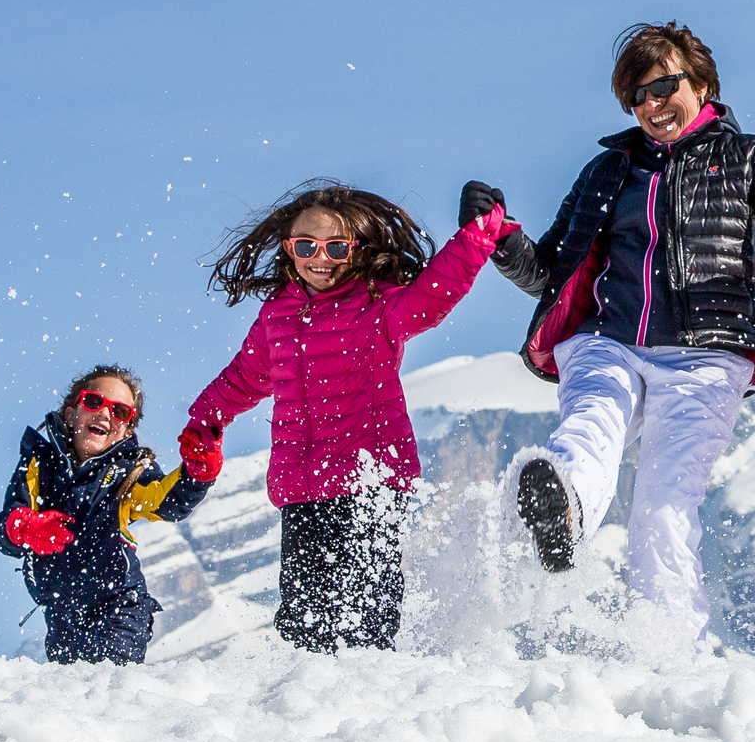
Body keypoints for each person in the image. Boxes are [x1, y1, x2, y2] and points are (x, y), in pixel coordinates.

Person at [488, 21, 755, 641]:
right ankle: (562, 509)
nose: (651, 106)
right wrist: (501, 239)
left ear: (701, 83)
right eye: (637, 97)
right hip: (607, 338)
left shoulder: (752, 157)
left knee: (664, 505)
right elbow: (549, 272)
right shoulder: (607, 171)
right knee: (590, 423)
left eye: (664, 86)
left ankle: (671, 651)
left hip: (708, 354)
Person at [183, 179, 517, 653]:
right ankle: (312, 708)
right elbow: (244, 377)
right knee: (303, 618)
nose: (320, 258)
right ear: (288, 248)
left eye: (336, 246)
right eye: (307, 245)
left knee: (367, 608)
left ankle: (374, 692)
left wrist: (475, 237)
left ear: (357, 250)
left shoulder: (378, 304)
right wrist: (204, 422)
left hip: (369, 480)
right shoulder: (277, 316)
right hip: (302, 487)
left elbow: (432, 296)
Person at [0, 364, 214, 664]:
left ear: (126, 429)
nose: (106, 414)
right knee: (69, 691)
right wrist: (25, 528)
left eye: (120, 412)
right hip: (60, 610)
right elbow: (6, 524)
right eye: (94, 402)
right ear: (71, 414)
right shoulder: (40, 464)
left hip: (119, 605)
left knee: (107, 680)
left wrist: (198, 473)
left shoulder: (127, 471)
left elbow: (165, 499)